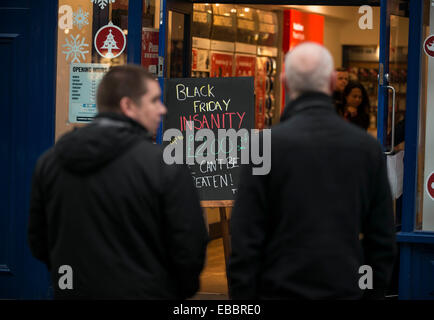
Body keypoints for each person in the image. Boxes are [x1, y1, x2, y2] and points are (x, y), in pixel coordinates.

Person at [228, 42, 396, 300]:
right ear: (331, 83)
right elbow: (381, 239)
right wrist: (371, 293)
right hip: (344, 289)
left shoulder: (263, 145)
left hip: (277, 290)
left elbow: (245, 234)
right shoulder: (367, 149)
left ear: (284, 81)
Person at [28, 65, 208, 299]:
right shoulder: (164, 166)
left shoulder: (50, 163)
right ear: (128, 106)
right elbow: (189, 247)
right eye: (154, 100)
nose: (162, 109)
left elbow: (39, 242)